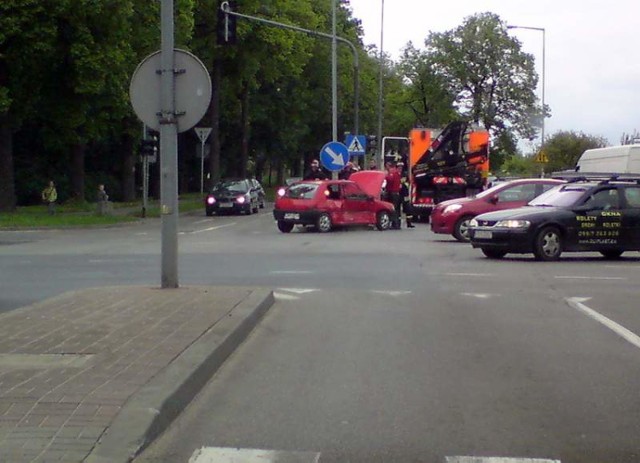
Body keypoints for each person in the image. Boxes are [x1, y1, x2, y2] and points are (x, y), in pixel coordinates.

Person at [384, 162, 402, 229]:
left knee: (393, 208)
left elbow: (389, 180)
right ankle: (397, 224)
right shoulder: (398, 174)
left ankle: (395, 224)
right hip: (396, 193)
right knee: (397, 209)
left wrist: (385, 176)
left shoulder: (392, 173)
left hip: (393, 193)